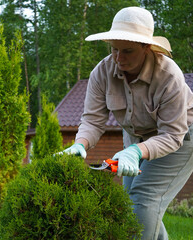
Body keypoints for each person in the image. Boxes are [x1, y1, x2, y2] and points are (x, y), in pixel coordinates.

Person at [58, 6, 193, 240]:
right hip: (135, 139)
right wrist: (81, 143)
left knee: (145, 198)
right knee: (132, 202)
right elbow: (92, 119)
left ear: (146, 48)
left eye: (127, 51)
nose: (119, 58)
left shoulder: (169, 76)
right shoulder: (101, 73)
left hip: (180, 138)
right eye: (114, 50)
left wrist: (136, 151)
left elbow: (172, 135)